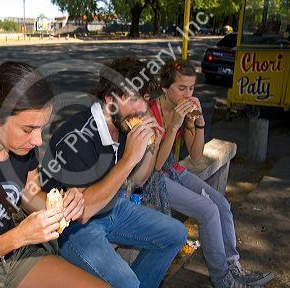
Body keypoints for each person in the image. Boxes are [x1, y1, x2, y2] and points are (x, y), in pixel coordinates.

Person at [0, 61, 110, 288]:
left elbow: (29, 197)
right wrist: (18, 237)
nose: (37, 141)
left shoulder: (20, 148)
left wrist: (62, 206)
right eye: (28, 129)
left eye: (41, 128)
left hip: (15, 256)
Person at [41, 56, 187, 288]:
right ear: (109, 100)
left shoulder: (123, 123)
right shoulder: (78, 136)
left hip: (111, 207)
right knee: (126, 283)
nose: (142, 108)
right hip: (71, 227)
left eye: (145, 99)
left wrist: (152, 147)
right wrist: (129, 158)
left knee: (176, 234)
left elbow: (138, 180)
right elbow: (83, 211)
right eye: (134, 99)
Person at [142, 59, 274, 288]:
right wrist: (173, 126)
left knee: (221, 204)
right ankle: (223, 280)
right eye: (181, 88)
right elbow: (154, 166)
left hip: (172, 169)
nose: (188, 93)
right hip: (151, 177)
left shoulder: (183, 111)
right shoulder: (150, 111)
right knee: (207, 210)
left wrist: (199, 122)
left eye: (191, 88)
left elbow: (195, 155)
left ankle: (233, 266)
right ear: (165, 88)